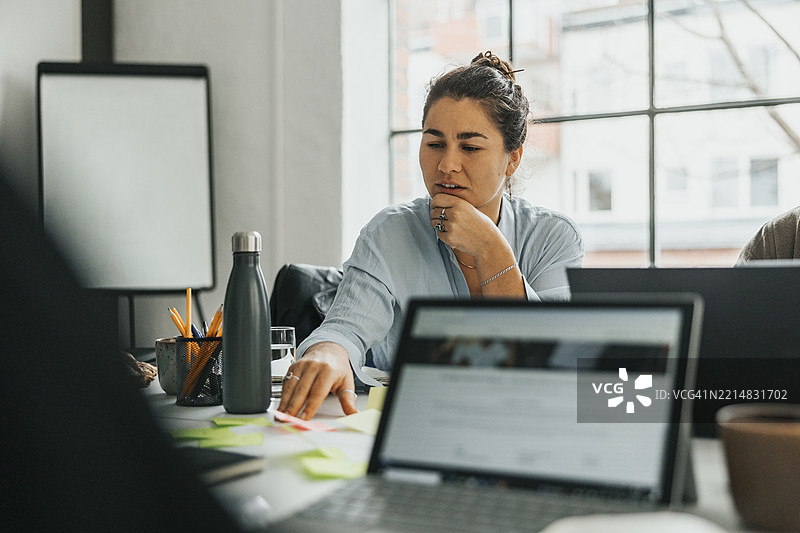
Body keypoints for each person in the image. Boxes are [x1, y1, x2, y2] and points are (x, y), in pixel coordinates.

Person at [278, 51, 584, 420]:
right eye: (434, 143)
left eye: (470, 147)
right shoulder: (389, 232)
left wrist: (490, 248)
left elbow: (547, 361)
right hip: (416, 424)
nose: (446, 165)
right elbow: (346, 329)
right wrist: (327, 352)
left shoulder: (553, 237)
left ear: (512, 159)